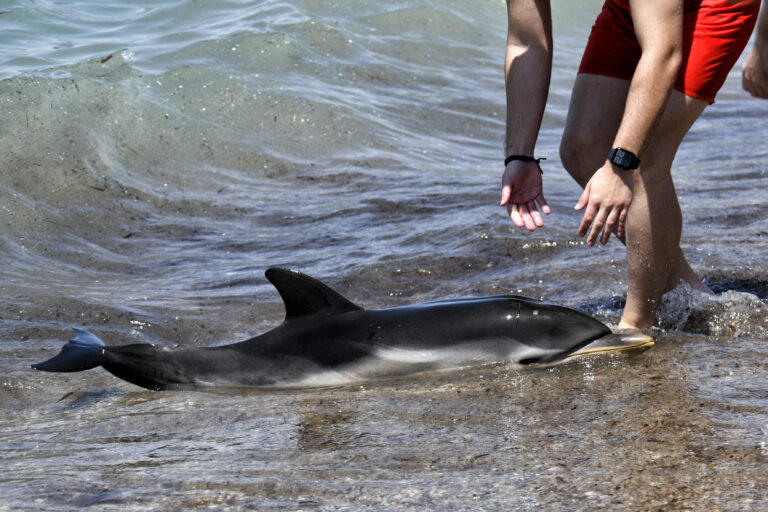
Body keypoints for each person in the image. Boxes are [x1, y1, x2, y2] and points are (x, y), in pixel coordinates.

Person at [500, 0, 768, 330]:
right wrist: (520, 155)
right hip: (635, 7)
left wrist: (620, 166)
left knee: (642, 160)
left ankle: (638, 322)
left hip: (715, 6)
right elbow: (527, 41)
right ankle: (691, 294)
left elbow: (663, 53)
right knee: (582, 148)